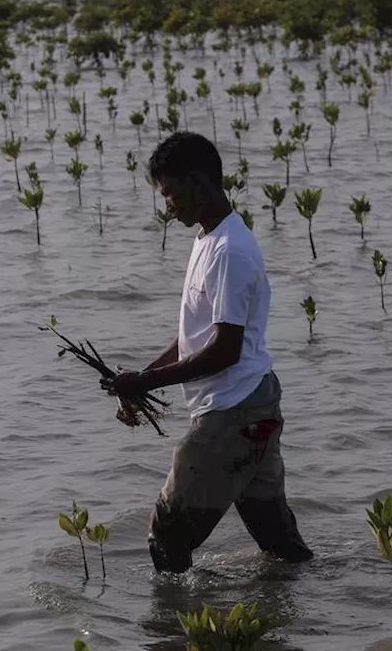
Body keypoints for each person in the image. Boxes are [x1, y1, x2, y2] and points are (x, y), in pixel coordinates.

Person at [102, 131, 313, 573]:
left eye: (171, 194)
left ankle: (174, 634)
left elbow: (225, 352)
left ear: (199, 184)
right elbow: (195, 337)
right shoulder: (208, 238)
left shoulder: (230, 251)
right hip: (253, 404)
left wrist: (147, 382)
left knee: (167, 537)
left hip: (231, 414)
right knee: (281, 547)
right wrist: (142, 376)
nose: (168, 206)